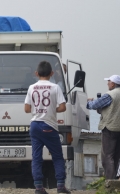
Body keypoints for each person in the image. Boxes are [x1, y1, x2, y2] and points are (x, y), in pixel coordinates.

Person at [24, 61, 71, 194]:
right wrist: (51, 109)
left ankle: (38, 187)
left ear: (36, 73)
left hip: (34, 125)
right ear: (51, 73)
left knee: (36, 156)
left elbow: (27, 109)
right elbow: (63, 107)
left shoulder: (31, 87)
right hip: (49, 125)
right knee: (57, 156)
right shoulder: (55, 87)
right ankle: (60, 186)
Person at [86, 74, 120, 180]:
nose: (107, 83)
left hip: (110, 128)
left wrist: (86, 101)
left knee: (107, 157)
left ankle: (110, 181)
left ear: (113, 83)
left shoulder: (110, 95)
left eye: (109, 82)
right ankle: (117, 179)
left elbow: (93, 105)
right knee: (116, 156)